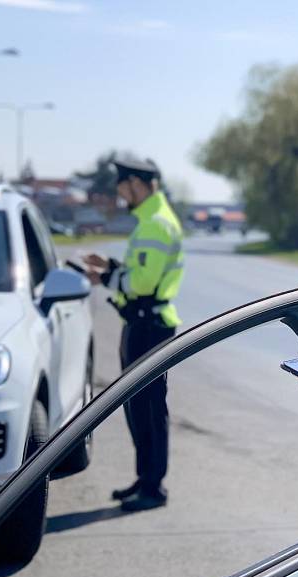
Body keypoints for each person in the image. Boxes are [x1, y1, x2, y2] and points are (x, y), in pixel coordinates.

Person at [83, 158, 184, 512]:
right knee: (139, 407)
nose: (119, 193)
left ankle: (153, 488)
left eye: (122, 186)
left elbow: (142, 283)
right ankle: (145, 480)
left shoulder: (155, 224)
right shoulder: (150, 221)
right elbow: (140, 272)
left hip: (149, 328)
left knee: (149, 408)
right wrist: (110, 267)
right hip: (142, 325)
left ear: (137, 185)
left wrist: (105, 278)